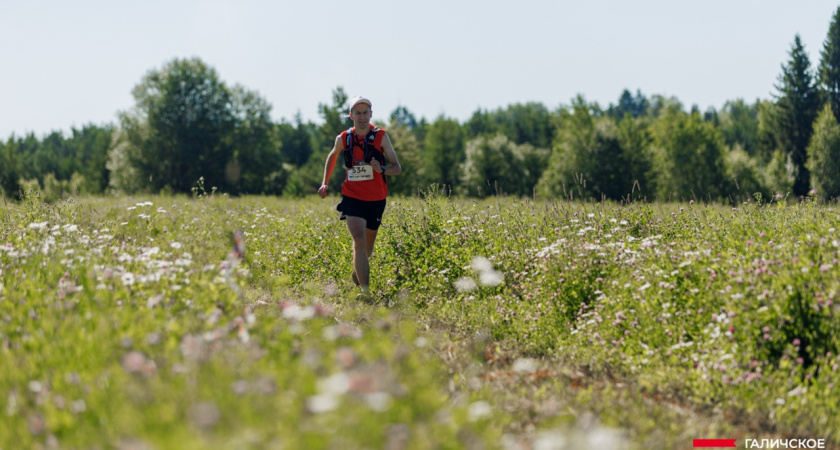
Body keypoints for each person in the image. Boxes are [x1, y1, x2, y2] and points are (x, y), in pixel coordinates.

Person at [318, 96, 402, 299]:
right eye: (358, 113)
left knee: (367, 248)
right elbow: (332, 156)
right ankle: (365, 291)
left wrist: (381, 168)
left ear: (371, 114)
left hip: (376, 199)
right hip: (352, 197)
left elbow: (397, 168)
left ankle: (359, 270)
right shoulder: (343, 139)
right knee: (358, 240)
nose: (362, 117)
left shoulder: (381, 136)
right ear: (351, 115)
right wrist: (325, 182)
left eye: (365, 112)